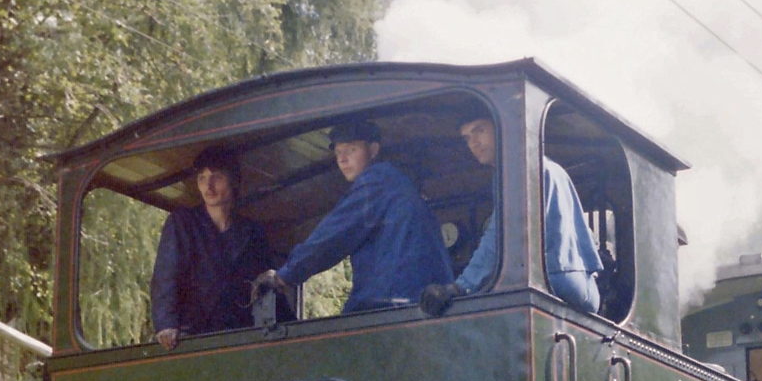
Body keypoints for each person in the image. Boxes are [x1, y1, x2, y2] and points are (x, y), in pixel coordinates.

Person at [257, 120, 453, 313]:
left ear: (373, 150)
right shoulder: (394, 182)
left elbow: (333, 236)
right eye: (338, 152)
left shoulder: (376, 181)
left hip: (397, 302)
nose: (342, 159)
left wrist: (285, 275)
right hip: (423, 302)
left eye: (351, 150)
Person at [420, 114, 604, 316]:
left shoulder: (520, 168)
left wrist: (460, 287)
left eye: (479, 130)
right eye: (466, 138)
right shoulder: (548, 166)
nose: (473, 143)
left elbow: (501, 234)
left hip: (556, 280)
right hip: (581, 283)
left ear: (501, 127)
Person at [150, 145, 283, 351]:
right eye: (202, 178)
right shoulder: (182, 223)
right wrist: (166, 324)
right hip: (192, 337)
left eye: (217, 177)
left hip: (240, 337)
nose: (208, 186)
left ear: (234, 181)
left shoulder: (253, 231)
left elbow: (267, 286)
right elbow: (166, 275)